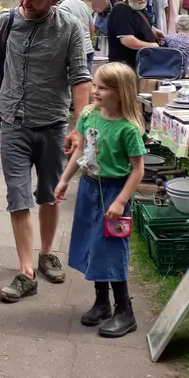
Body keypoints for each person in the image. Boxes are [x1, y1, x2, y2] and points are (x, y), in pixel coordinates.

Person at [0, 0, 92, 302]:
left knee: (48, 194)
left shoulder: (70, 27)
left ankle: (46, 253)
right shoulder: (7, 21)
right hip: (13, 124)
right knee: (17, 196)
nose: (24, 0)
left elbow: (80, 78)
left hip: (53, 124)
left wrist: (80, 128)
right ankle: (26, 271)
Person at [54, 61, 146, 337]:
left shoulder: (128, 130)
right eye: (96, 85)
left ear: (121, 92)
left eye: (104, 88)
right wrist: (64, 179)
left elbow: (138, 170)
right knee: (91, 244)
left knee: (111, 249)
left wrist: (120, 202)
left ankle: (124, 310)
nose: (96, 91)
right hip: (89, 189)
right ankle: (102, 301)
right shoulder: (89, 115)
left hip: (113, 194)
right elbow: (81, 149)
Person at [105, 0, 161, 69]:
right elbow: (127, 40)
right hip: (126, 67)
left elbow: (137, 23)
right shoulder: (121, 11)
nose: (142, 0)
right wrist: (152, 46)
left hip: (141, 65)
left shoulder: (138, 7)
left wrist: (153, 30)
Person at [54, 0, 96, 76]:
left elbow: (62, 34)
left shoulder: (62, 7)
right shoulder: (83, 4)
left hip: (75, 53)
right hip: (88, 50)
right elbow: (92, 28)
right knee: (87, 84)